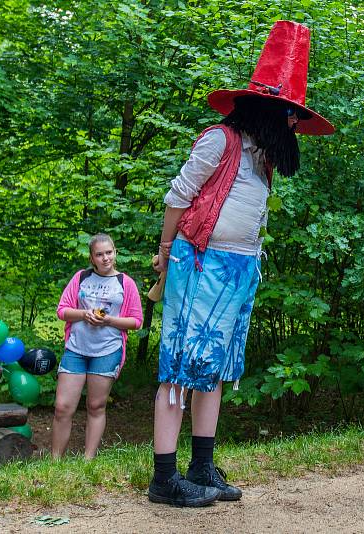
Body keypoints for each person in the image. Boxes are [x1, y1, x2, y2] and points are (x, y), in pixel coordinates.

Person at [148, 21, 334, 508]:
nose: (295, 125)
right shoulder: (219, 141)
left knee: (217, 367)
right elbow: (178, 197)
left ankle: (201, 466)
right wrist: (166, 256)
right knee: (180, 369)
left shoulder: (261, 156)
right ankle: (164, 478)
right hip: (198, 265)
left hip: (238, 270)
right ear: (268, 109)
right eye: (290, 114)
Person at [52, 233, 143, 459]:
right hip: (76, 349)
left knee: (95, 405)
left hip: (107, 351)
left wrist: (109, 320)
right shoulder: (81, 278)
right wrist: (84, 314)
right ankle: (54, 462)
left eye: (109, 253)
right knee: (63, 407)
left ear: (115, 253)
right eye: (99, 254)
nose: (105, 258)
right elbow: (62, 310)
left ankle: (88, 460)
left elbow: (136, 321)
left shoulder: (125, 283)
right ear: (92, 258)